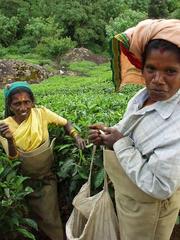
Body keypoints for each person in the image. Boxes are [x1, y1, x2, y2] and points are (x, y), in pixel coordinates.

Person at [89, 19, 180, 240]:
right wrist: (108, 134)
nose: (157, 80)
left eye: (170, 71)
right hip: (129, 198)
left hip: (150, 210)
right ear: (142, 66)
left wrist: (119, 142)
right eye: (151, 69)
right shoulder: (141, 98)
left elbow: (160, 186)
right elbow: (128, 129)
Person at [0, 81, 86, 240]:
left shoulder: (41, 113)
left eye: (27, 102)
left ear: (32, 102)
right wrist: (10, 140)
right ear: (10, 106)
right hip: (24, 184)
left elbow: (66, 122)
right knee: (31, 221)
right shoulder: (5, 126)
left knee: (50, 217)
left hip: (46, 179)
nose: (23, 108)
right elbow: (13, 158)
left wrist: (76, 136)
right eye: (17, 104)